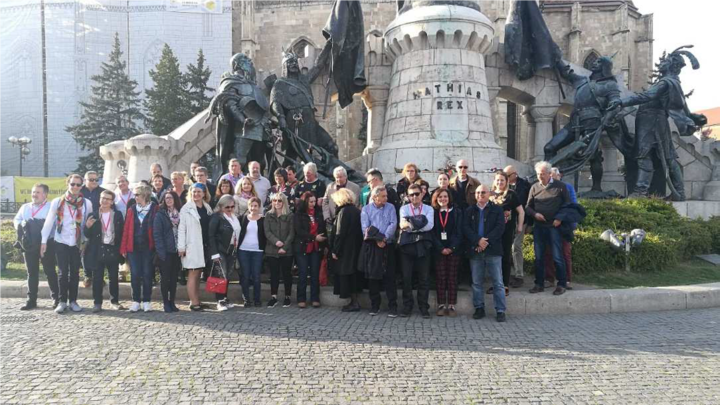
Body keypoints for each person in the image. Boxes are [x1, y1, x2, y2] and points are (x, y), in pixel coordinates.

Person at [41, 174, 93, 314]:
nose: (75, 187)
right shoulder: (58, 202)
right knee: (63, 273)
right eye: (72, 184)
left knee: (75, 273)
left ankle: (74, 301)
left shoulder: (86, 203)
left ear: (82, 186)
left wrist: (87, 232)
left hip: (77, 243)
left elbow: (89, 224)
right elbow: (49, 221)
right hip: (61, 241)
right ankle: (62, 301)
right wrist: (43, 241)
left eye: (78, 184)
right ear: (67, 184)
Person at [525, 161, 571, 296]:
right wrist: (535, 214)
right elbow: (528, 206)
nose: (540, 176)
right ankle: (539, 283)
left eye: (543, 174)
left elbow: (568, 205)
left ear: (550, 174)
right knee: (539, 256)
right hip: (539, 226)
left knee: (557, 256)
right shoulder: (534, 187)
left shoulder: (560, 186)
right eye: (538, 174)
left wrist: (559, 218)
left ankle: (561, 284)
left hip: (554, 226)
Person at [464, 184, 507, 322]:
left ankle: (500, 310)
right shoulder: (469, 210)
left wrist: (485, 242)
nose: (480, 195)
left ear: (489, 194)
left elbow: (500, 228)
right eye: (478, 193)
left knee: (498, 282)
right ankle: (479, 308)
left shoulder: (497, 210)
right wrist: (478, 241)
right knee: (476, 282)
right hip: (475, 250)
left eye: (483, 192)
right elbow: (466, 228)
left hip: (493, 250)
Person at [13, 183, 59, 310]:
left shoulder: (51, 207)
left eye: (37, 192)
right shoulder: (25, 207)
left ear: (45, 194)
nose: (34, 195)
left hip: (46, 244)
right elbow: (16, 219)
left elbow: (54, 224)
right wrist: (22, 224)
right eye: (33, 192)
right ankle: (31, 300)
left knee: (50, 271)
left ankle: (56, 299)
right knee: (31, 273)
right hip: (29, 245)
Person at [359, 186, 399, 317]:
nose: (386, 198)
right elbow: (366, 228)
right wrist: (378, 239)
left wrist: (385, 238)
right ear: (375, 197)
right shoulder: (366, 210)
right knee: (373, 277)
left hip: (388, 245)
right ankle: (374, 305)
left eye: (386, 196)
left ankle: (393, 306)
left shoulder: (391, 207)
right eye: (383, 196)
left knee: (390, 276)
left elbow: (393, 224)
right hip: (373, 246)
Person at [84, 190, 125, 312]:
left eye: (108, 199)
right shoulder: (93, 215)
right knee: (97, 278)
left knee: (113, 277)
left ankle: (115, 301)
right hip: (97, 250)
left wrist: (122, 250)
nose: (105, 201)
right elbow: (87, 235)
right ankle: (97, 303)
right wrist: (87, 227)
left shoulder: (117, 215)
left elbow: (121, 233)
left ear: (112, 202)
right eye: (103, 198)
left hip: (112, 249)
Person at [397, 183, 434, 318]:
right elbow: (403, 225)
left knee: (423, 278)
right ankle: (407, 306)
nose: (414, 197)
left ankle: (424, 307)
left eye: (416, 194)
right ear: (407, 196)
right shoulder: (404, 208)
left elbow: (429, 226)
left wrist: (412, 224)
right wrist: (419, 222)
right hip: (407, 246)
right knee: (407, 278)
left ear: (422, 194)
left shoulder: (429, 209)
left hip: (424, 245)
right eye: (411, 194)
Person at [120, 185, 159, 313]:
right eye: (135, 195)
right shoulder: (132, 209)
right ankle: (136, 301)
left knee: (147, 274)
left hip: (148, 248)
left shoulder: (154, 208)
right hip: (134, 248)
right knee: (135, 274)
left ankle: (147, 301)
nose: (134, 197)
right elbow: (126, 229)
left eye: (137, 195)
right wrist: (124, 247)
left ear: (145, 195)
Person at [178, 183, 213, 311]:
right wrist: (181, 247)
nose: (196, 194)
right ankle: (193, 302)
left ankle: (197, 299)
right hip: (191, 245)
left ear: (204, 193)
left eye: (199, 191)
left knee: (198, 273)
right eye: (194, 191)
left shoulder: (207, 207)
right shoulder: (186, 209)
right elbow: (181, 229)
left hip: (203, 245)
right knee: (193, 273)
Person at [490, 171, 525, 296]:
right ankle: (495, 284)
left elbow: (521, 211)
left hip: (506, 231)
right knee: (493, 258)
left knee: (505, 257)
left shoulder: (511, 195)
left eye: (502, 180)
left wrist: (520, 226)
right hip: (492, 232)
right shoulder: (490, 195)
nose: (500, 182)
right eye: (497, 180)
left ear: (507, 181)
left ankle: (504, 285)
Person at [543, 168, 578, 290]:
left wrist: (571, 225)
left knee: (565, 253)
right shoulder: (545, 187)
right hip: (549, 225)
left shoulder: (567, 187)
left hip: (564, 226)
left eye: (554, 175)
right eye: (550, 175)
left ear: (559, 175)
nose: (552, 177)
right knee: (548, 253)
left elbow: (573, 206)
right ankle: (549, 278)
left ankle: (567, 279)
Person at [431, 188, 462, 317]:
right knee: (441, 277)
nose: (443, 199)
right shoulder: (433, 213)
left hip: (453, 250)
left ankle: (452, 305)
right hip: (439, 250)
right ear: (436, 199)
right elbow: (432, 233)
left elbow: (459, 231)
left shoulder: (457, 212)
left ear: (449, 198)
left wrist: (451, 248)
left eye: (445, 197)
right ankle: (441, 305)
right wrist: (440, 248)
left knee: (452, 277)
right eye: (440, 197)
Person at [329, 188, 363, 312]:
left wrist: (335, 250)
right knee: (353, 275)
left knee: (347, 274)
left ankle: (353, 302)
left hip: (345, 250)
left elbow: (340, 233)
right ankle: (354, 301)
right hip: (355, 248)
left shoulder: (344, 212)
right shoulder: (356, 211)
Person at [208, 195, 242, 311]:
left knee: (227, 275)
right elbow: (211, 235)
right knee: (220, 275)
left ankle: (225, 298)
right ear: (221, 206)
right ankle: (219, 300)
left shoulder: (234, 216)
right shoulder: (216, 217)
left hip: (232, 249)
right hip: (220, 249)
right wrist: (214, 253)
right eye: (227, 207)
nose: (230, 209)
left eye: (232, 206)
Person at [294, 191, 326, 308]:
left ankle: (315, 298)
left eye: (314, 201)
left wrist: (321, 238)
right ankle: (301, 298)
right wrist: (313, 237)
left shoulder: (318, 213)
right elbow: (299, 231)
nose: (313, 204)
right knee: (302, 273)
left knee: (314, 273)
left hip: (316, 247)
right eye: (310, 201)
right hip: (303, 246)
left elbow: (322, 227)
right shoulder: (299, 214)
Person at [153, 191, 182, 313]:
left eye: (170, 198)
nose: (168, 200)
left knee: (174, 278)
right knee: (165, 279)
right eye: (166, 198)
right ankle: (166, 303)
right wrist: (161, 252)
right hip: (166, 251)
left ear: (175, 199)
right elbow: (157, 235)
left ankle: (172, 302)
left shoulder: (181, 213)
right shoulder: (161, 214)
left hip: (178, 251)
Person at [264, 192, 295, 308]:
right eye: (274, 200)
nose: (277, 203)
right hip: (272, 249)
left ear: (284, 202)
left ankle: (287, 296)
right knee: (274, 274)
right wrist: (276, 242)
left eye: (279, 201)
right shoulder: (268, 215)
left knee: (287, 274)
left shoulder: (290, 215)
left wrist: (284, 246)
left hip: (287, 251)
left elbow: (292, 233)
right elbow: (267, 232)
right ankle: (274, 297)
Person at [504, 165, 531, 288]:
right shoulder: (503, 185)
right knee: (506, 247)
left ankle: (519, 275)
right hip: (506, 221)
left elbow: (530, 204)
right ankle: (507, 273)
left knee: (516, 247)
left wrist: (528, 223)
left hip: (520, 219)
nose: (506, 178)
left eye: (508, 176)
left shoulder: (525, 185)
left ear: (515, 174)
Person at [238, 197, 266, 307]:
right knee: (245, 275)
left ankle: (257, 299)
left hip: (257, 251)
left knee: (256, 276)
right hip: (243, 250)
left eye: (255, 206)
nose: (253, 208)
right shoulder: (243, 218)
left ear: (259, 207)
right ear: (248, 207)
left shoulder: (263, 219)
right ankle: (246, 299)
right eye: (251, 206)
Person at [80, 170, 105, 288]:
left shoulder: (102, 192)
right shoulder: (79, 192)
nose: (94, 181)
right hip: (82, 224)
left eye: (96, 179)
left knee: (98, 250)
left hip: (98, 225)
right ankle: (87, 275)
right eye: (91, 179)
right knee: (85, 250)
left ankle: (99, 276)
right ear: (85, 180)